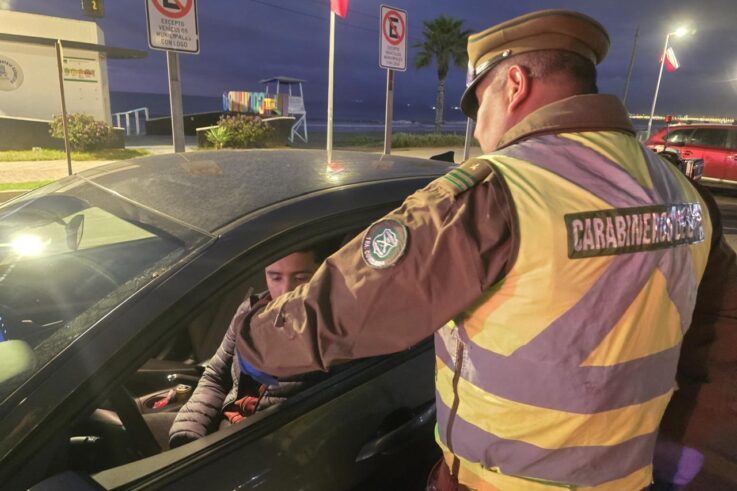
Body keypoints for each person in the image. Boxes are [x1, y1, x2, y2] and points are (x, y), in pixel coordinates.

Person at [235, 9, 737, 490]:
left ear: (515, 84)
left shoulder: (496, 194)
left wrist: (253, 342)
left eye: (478, 105)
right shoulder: (682, 191)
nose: (476, 129)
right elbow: (718, 343)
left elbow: (343, 307)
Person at [168, 249, 328, 449]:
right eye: (275, 277)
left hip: (263, 445)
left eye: (301, 277)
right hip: (224, 426)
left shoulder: (333, 330)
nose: (286, 291)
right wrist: (189, 433)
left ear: (322, 273)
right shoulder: (249, 311)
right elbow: (216, 376)